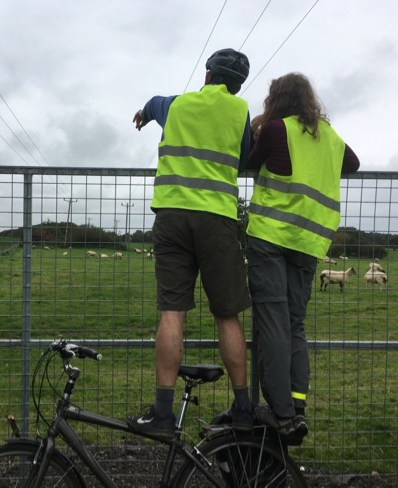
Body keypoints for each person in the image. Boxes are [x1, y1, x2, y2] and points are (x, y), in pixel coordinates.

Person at [127, 48, 253, 439]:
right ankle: (244, 409)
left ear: (208, 74)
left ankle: (163, 412)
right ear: (237, 85)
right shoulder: (240, 112)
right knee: (227, 315)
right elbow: (245, 157)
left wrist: (144, 116)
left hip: (172, 218)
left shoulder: (176, 106)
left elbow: (151, 103)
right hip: (217, 220)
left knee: (172, 312)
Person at [245, 72, 360, 440]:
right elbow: (353, 163)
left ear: (277, 100)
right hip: (309, 244)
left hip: (270, 238)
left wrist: (259, 130)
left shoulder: (277, 130)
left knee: (274, 322)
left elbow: (249, 162)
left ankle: (279, 412)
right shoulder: (330, 137)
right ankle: (296, 405)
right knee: (294, 324)